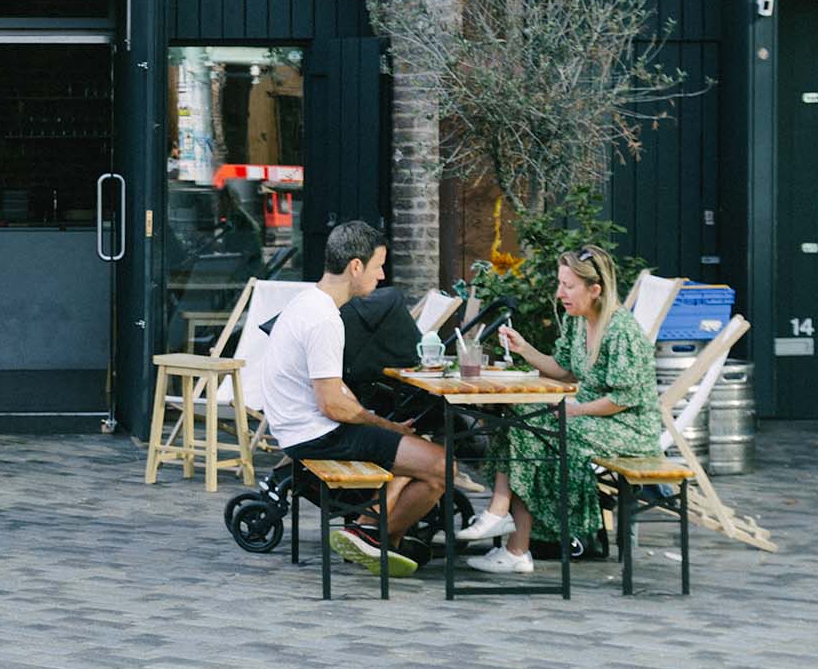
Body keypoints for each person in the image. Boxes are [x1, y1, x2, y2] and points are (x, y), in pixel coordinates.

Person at [458, 245, 662, 574]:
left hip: (629, 428)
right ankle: (510, 538)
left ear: (595, 290)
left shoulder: (622, 332)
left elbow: (624, 399)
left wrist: (575, 410)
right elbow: (562, 368)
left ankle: (509, 534)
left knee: (532, 432)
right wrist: (523, 348)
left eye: (568, 286)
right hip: (593, 417)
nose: (560, 293)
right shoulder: (577, 321)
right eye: (560, 283)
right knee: (518, 425)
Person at [261, 220, 447, 578]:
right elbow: (332, 404)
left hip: (297, 429)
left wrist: (389, 430)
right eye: (378, 267)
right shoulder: (325, 319)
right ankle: (375, 536)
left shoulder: (307, 302)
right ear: (356, 266)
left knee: (414, 452)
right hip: (318, 434)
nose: (381, 277)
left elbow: (331, 389)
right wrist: (385, 424)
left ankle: (369, 531)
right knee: (442, 467)